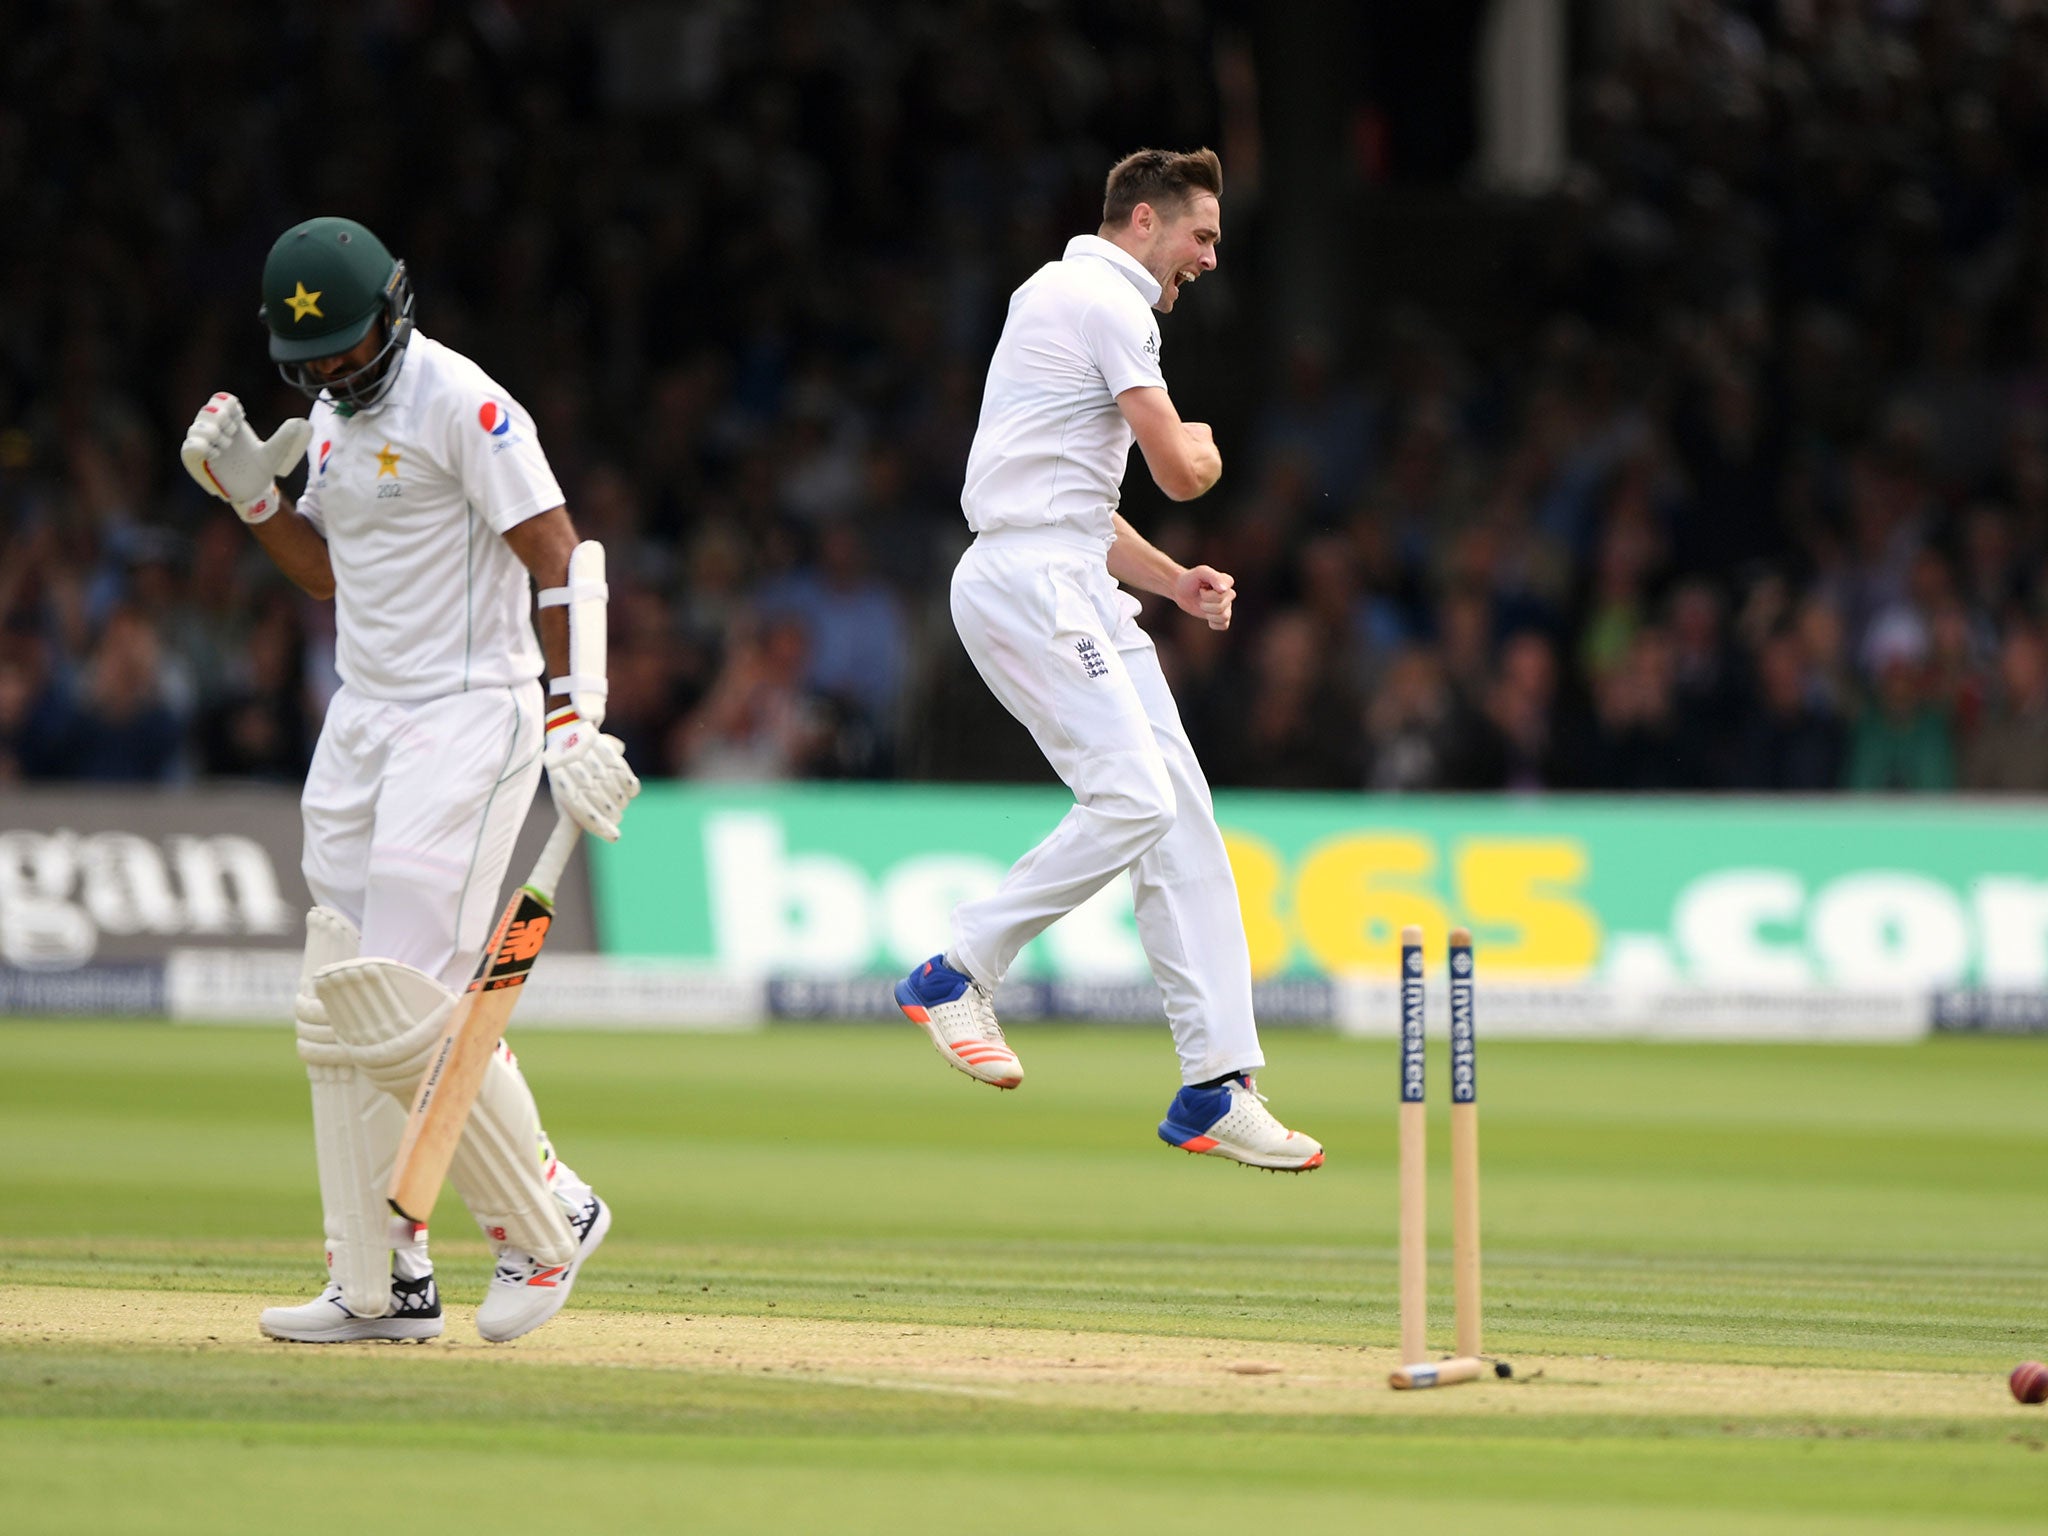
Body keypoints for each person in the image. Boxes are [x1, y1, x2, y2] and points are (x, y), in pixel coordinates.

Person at [179, 217, 640, 1342]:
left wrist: (575, 710)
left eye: (349, 347)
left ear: (396, 307)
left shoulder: (462, 401)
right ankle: (382, 1283)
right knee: (338, 996)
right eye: (315, 359)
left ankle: (547, 1217)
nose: (335, 371)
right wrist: (254, 502)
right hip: (363, 720)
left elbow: (558, 550)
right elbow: (329, 578)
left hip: (467, 717)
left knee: (399, 990)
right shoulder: (331, 424)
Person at [893, 149, 1323, 1172]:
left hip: (1064, 570)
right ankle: (955, 969)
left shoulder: (1065, 294)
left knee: (1177, 808)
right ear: (1142, 222)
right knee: (1131, 795)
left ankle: (1215, 1084)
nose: (1209, 259)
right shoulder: (1105, 297)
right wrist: (1208, 447)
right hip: (1028, 582)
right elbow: (1182, 470)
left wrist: (1172, 583)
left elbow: (1076, 502)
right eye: (1201, 237)